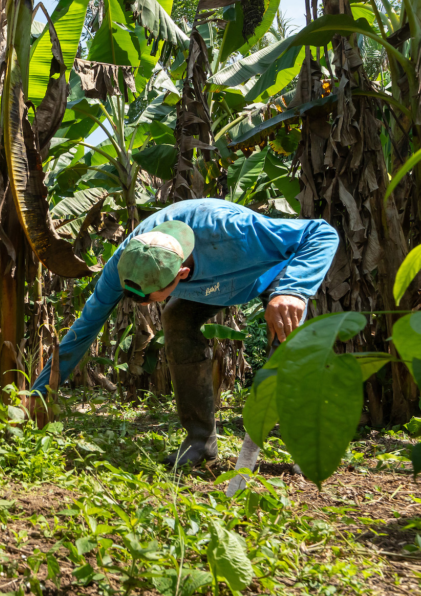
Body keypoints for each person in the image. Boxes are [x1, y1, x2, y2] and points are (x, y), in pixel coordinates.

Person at [30, 199, 339, 466]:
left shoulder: (233, 230)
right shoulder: (126, 261)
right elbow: (84, 330)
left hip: (269, 274)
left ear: (182, 274)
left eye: (151, 297)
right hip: (213, 286)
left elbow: (320, 233)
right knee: (176, 318)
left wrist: (293, 290)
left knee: (287, 340)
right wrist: (38, 395)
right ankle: (200, 443)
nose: (142, 304)